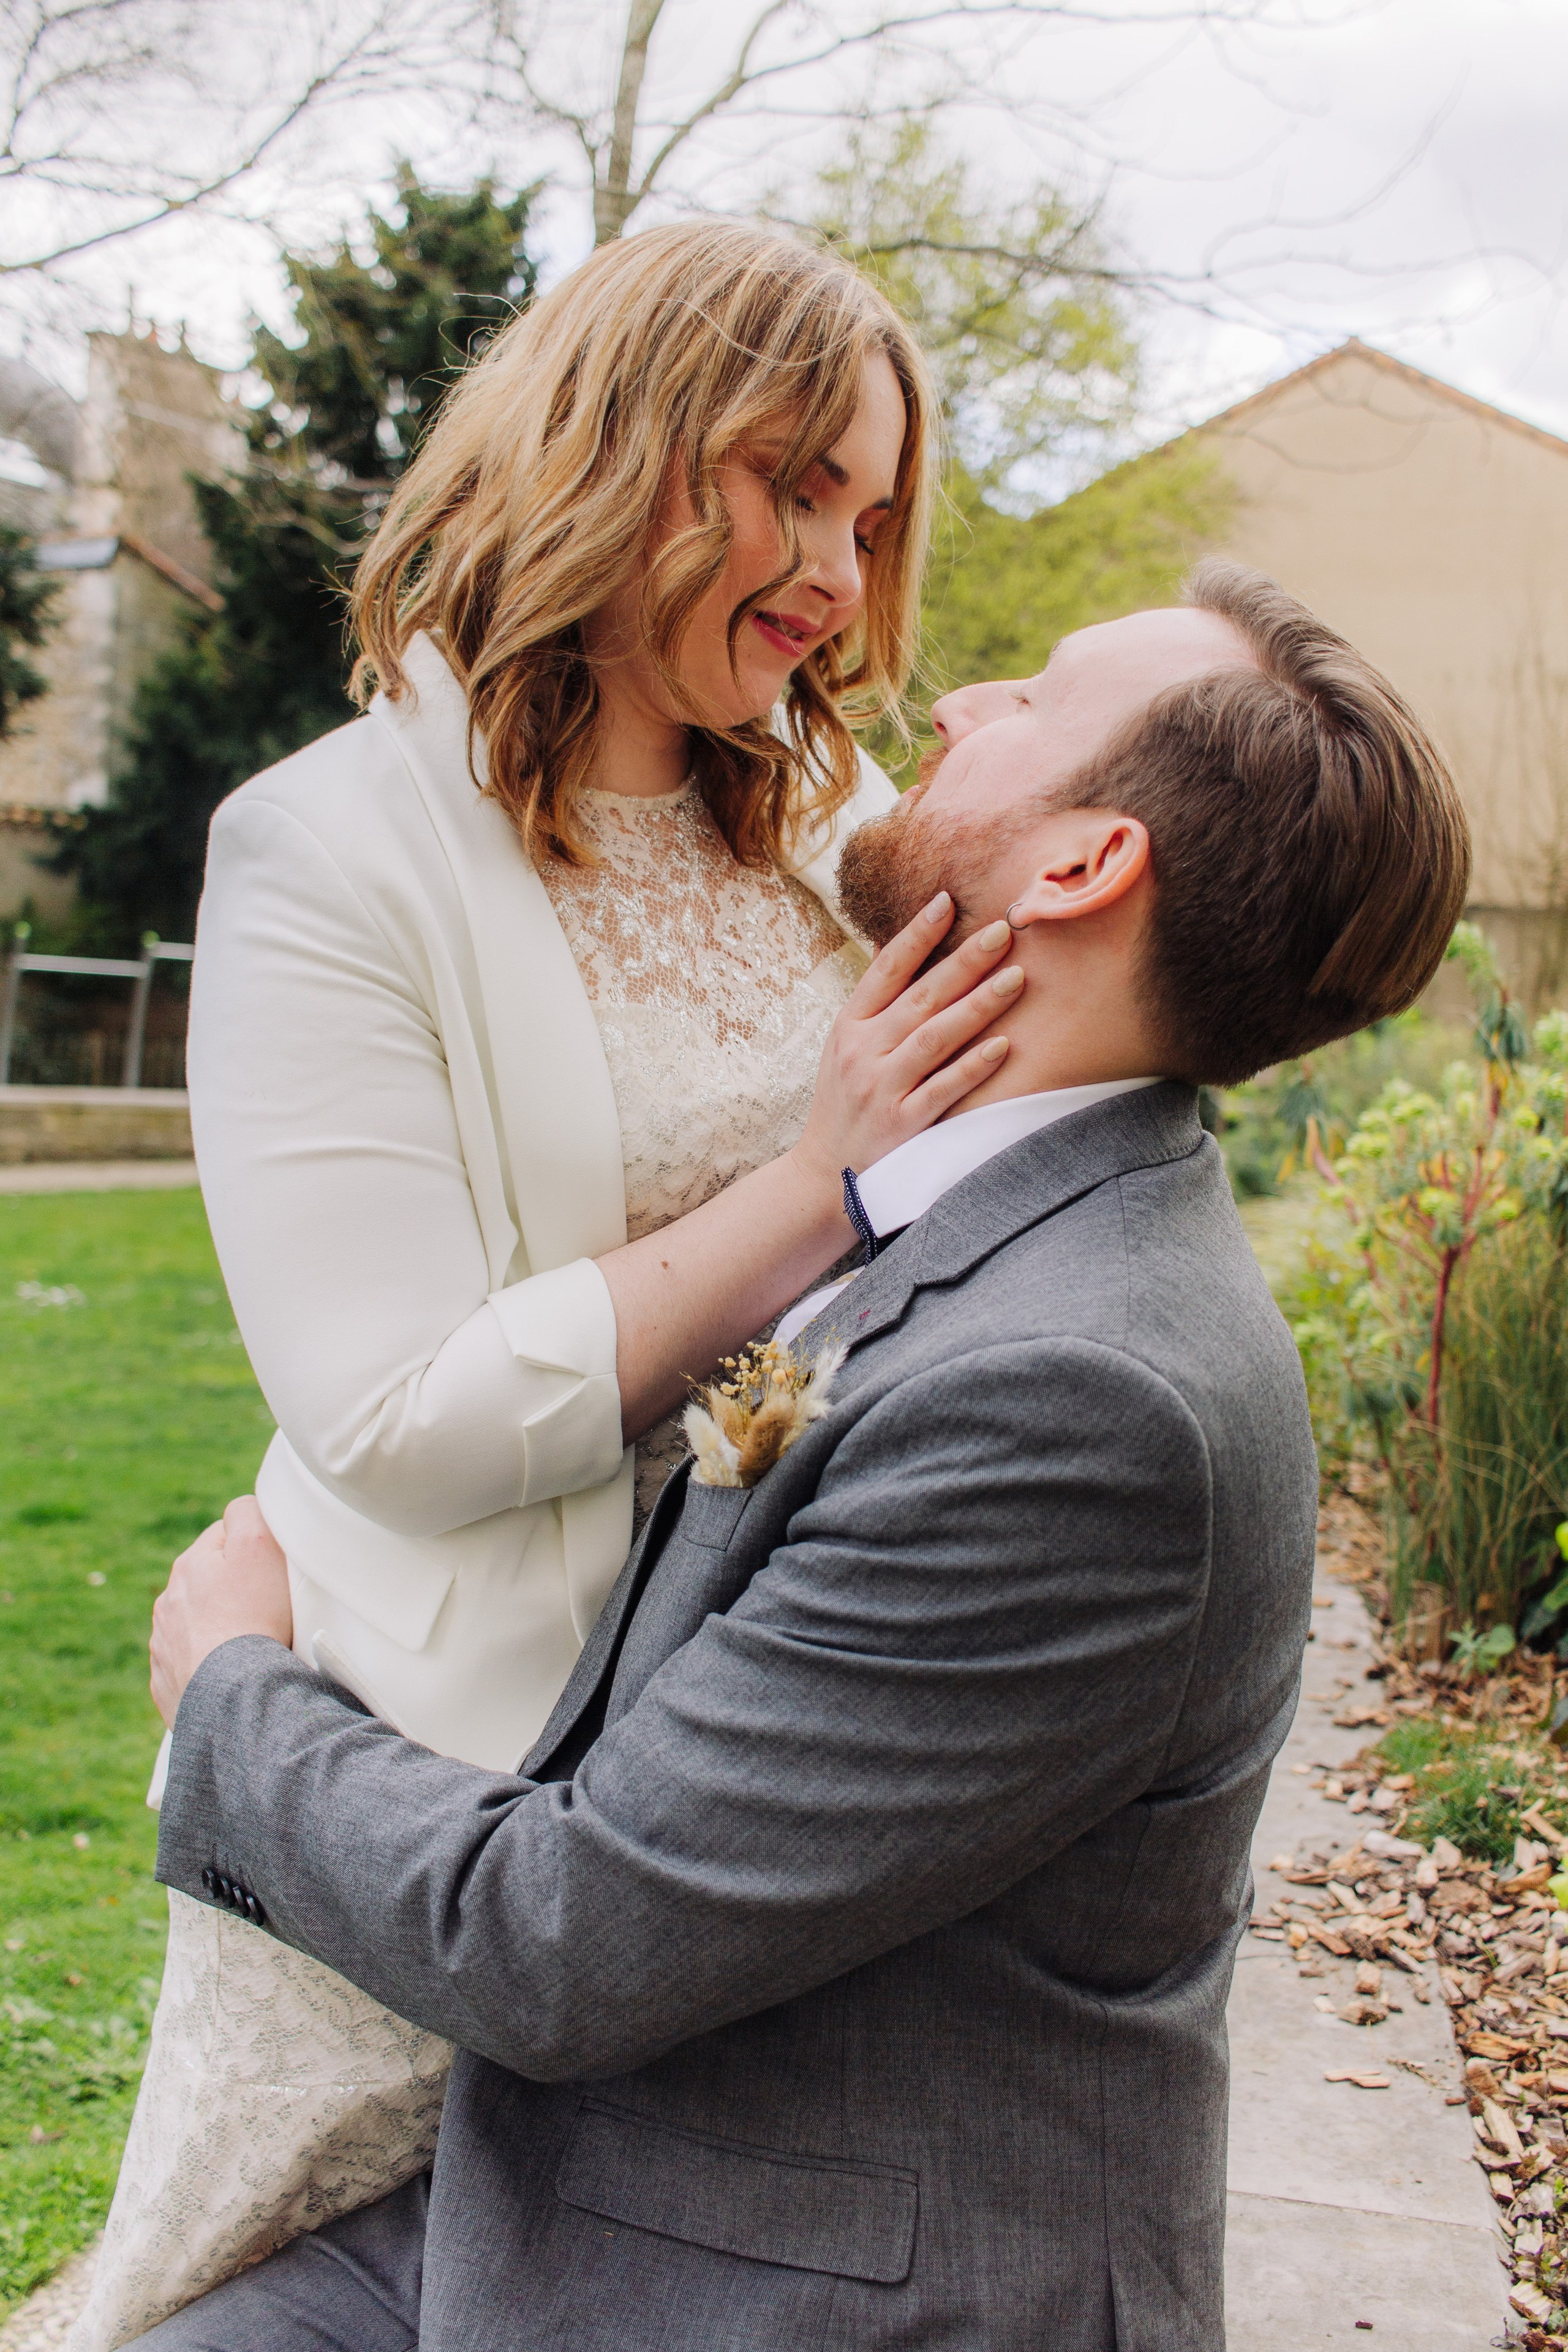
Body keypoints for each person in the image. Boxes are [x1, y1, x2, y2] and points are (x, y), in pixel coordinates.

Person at [137, 562, 1469, 2351]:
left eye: (1030, 702)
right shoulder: (974, 1218)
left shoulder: (1086, 1405)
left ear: (1084, 870)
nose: (950, 701)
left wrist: (232, 1687)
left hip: (796, 2284)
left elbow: (563, 1937)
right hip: (617, 2177)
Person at [75, 221, 1023, 2350]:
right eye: (795, 484)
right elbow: (394, 1414)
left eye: (871, 522)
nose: (839, 577)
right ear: (618, 441)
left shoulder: (826, 819)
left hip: (741, 1759)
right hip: (435, 1762)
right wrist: (813, 1185)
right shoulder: (330, 855)